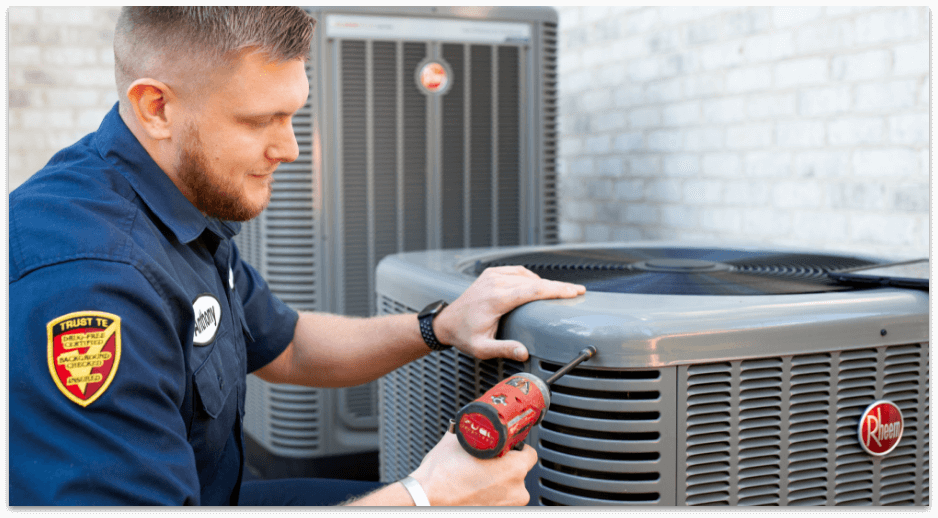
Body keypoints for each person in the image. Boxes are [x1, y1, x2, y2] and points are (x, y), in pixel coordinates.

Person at [8, 7, 586, 506]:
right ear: (156, 106)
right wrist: (425, 495)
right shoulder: (89, 283)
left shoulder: (176, 192)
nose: (288, 148)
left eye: (293, 114)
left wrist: (439, 325)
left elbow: (292, 346)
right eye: (261, 121)